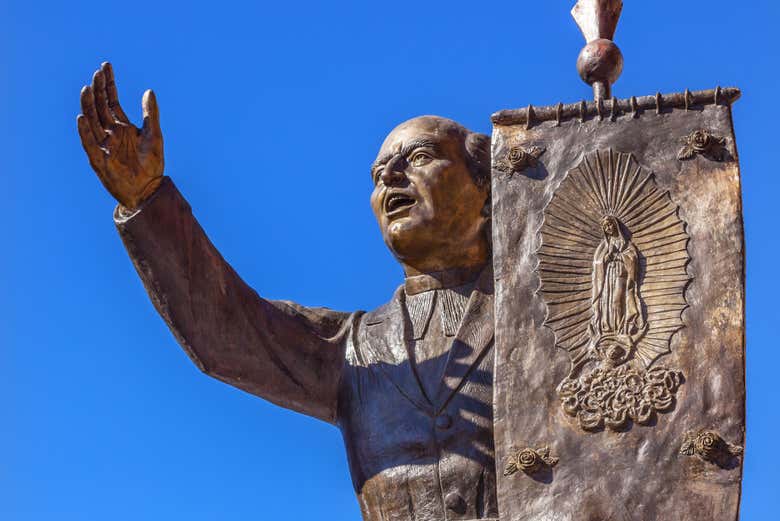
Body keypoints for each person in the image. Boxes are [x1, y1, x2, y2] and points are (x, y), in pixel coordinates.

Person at [77, 62, 498, 521]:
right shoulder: (353, 348)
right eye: (378, 172)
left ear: (486, 187)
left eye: (418, 157)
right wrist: (147, 200)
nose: (391, 176)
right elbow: (226, 330)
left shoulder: (546, 308)